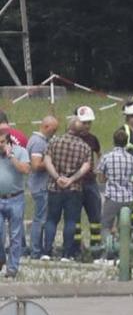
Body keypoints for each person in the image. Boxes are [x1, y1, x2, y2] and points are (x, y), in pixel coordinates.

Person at [43, 117, 91, 261]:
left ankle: (47, 251)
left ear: (67, 127)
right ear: (80, 131)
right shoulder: (84, 147)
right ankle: (67, 253)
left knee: (51, 220)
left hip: (54, 187)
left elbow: (47, 161)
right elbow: (86, 167)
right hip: (74, 189)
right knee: (70, 221)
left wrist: (57, 177)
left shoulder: (54, 141)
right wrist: (71, 179)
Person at [96, 128, 133, 260]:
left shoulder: (107, 157)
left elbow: (101, 178)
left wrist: (109, 177)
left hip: (113, 197)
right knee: (123, 227)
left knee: (106, 226)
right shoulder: (131, 158)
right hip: (128, 196)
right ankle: (123, 253)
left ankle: (108, 250)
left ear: (114, 141)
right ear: (126, 143)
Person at [26, 116, 59, 260]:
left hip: (40, 185)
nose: (55, 132)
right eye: (54, 129)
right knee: (40, 219)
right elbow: (35, 165)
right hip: (40, 186)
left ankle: (37, 249)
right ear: (46, 127)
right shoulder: (38, 143)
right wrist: (51, 162)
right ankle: (36, 251)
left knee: (41, 218)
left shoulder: (40, 141)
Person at [0, 129, 30, 277]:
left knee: (15, 235)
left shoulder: (20, 152)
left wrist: (11, 156)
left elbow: (25, 169)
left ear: (8, 142)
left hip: (15, 198)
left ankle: (12, 268)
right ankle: (1, 258)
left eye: (1, 142)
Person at [73, 106, 102, 255]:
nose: (87, 126)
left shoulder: (93, 139)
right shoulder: (70, 138)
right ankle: (76, 247)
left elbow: (98, 153)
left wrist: (98, 168)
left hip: (90, 181)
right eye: (84, 123)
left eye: (89, 123)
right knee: (75, 216)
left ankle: (96, 246)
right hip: (75, 182)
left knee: (95, 215)